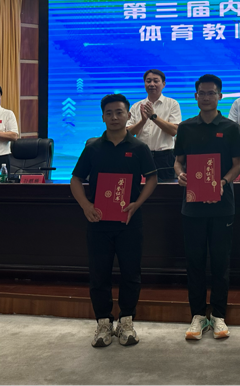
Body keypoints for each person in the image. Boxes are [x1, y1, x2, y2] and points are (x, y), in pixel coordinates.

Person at [69, 94, 158, 348]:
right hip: (98, 222)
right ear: (103, 117)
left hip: (130, 221)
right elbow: (76, 179)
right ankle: (103, 323)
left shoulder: (139, 147)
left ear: (128, 115)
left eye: (119, 112)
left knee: (131, 273)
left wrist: (137, 203)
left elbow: (152, 178)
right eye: (109, 113)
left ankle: (126, 321)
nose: (114, 117)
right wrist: (86, 206)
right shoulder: (93, 147)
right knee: (99, 274)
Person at [174, 74, 240, 341]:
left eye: (211, 93)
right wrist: (180, 174)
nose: (206, 97)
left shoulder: (230, 128)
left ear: (220, 96)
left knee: (220, 262)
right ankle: (198, 316)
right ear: (195, 96)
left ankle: (219, 315)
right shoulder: (186, 127)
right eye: (202, 93)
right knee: (195, 262)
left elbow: (238, 164)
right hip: (192, 206)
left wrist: (223, 182)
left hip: (222, 205)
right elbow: (178, 161)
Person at [127, 69, 182, 182]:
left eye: (156, 81)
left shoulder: (172, 104)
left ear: (163, 84)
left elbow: (174, 131)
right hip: (141, 155)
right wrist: (143, 121)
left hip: (165, 156)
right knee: (139, 187)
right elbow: (128, 133)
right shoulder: (136, 106)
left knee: (165, 189)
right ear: (144, 84)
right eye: (148, 81)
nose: (152, 84)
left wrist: (153, 117)